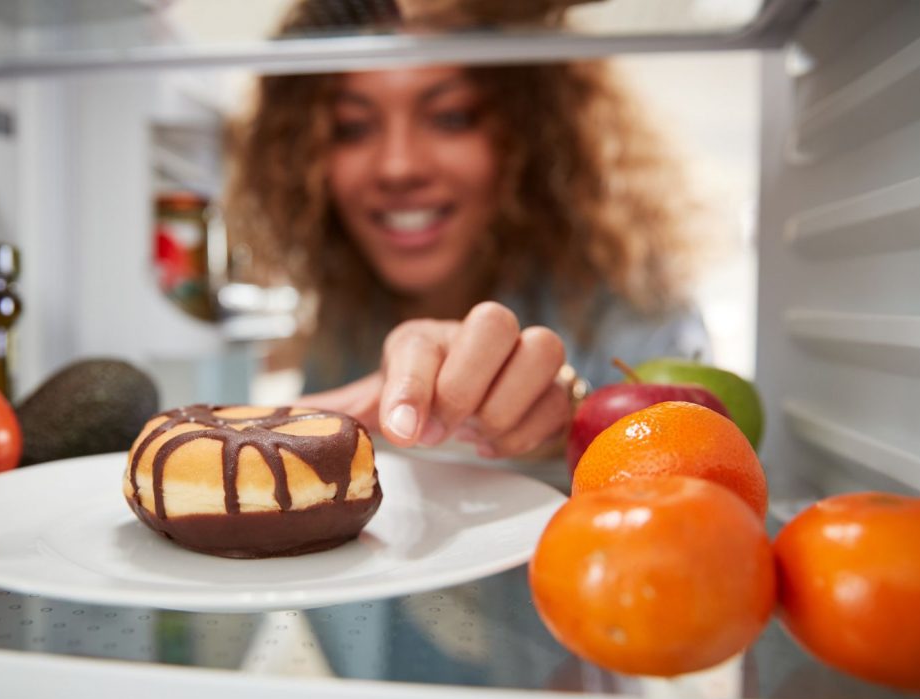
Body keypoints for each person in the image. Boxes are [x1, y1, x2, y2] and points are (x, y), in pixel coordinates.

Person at [224, 0, 715, 460]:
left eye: (451, 117)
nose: (398, 166)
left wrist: (569, 416)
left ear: (531, 134)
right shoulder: (344, 317)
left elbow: (700, 489)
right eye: (351, 127)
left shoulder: (636, 308)